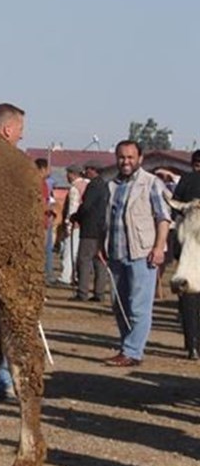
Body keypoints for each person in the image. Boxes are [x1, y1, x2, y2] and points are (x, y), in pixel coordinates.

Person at [103, 140, 171, 367]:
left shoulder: (151, 183)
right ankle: (127, 346)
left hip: (142, 253)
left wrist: (159, 247)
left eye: (130, 157)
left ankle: (132, 351)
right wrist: (101, 247)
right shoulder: (112, 185)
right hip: (116, 254)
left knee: (138, 305)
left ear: (140, 159)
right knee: (118, 304)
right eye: (122, 157)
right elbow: (108, 221)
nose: (126, 162)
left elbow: (163, 218)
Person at [0, 102, 30, 403]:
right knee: (2, 319)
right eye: (20, 132)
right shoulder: (8, 164)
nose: (21, 138)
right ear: (8, 129)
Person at [173, 150, 200, 360]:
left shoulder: (186, 180)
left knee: (188, 299)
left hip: (187, 249)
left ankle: (191, 344)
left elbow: (175, 209)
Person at [71, 161, 111, 302]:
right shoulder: (105, 185)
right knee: (99, 261)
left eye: (87, 169)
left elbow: (86, 206)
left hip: (90, 229)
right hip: (102, 228)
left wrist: (76, 216)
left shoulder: (93, 185)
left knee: (84, 260)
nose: (85, 172)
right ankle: (99, 293)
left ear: (94, 170)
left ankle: (82, 292)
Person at [57, 165, 88, 287]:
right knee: (77, 252)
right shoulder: (86, 185)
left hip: (75, 225)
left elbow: (72, 209)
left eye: (68, 174)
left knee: (69, 251)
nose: (67, 177)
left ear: (73, 174)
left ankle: (66, 276)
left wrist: (68, 225)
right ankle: (75, 275)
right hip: (84, 225)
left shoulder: (75, 188)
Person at [34, 158, 57, 283]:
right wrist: (49, 208)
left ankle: (47, 274)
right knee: (42, 250)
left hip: (46, 220)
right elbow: (39, 202)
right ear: (42, 169)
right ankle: (44, 275)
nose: (50, 171)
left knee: (48, 249)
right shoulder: (37, 183)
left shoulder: (45, 183)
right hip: (41, 222)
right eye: (48, 168)